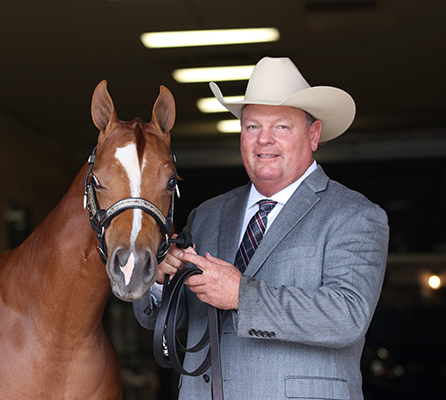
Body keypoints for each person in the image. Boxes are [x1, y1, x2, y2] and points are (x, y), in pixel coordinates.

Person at [133, 57, 389, 399]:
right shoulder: (207, 214)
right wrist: (161, 281)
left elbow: (348, 316)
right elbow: (162, 322)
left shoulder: (354, 215)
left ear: (314, 135)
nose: (263, 140)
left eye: (281, 127)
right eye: (252, 127)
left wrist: (242, 295)